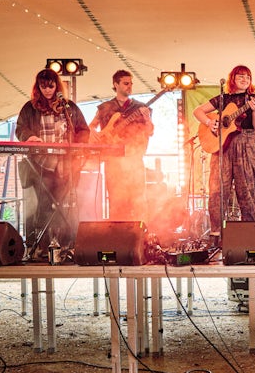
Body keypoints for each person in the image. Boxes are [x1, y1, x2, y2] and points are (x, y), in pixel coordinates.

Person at [16, 68, 89, 259]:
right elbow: (20, 128)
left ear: (57, 86)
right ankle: (42, 247)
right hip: (42, 164)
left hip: (67, 164)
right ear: (37, 88)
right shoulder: (30, 108)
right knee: (45, 204)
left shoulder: (69, 107)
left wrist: (79, 145)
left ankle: (68, 245)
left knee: (68, 205)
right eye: (43, 87)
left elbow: (83, 129)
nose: (47, 90)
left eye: (51, 86)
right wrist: (30, 136)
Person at [193, 65, 255, 246]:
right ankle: (216, 235)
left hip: (246, 143)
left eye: (248, 76)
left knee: (246, 190)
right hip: (221, 146)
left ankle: (248, 236)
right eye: (240, 76)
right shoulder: (223, 99)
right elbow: (198, 111)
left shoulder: (254, 99)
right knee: (217, 190)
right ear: (232, 78)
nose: (244, 79)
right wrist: (209, 122)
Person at [88, 70, 154, 221]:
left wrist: (148, 119)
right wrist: (95, 134)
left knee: (139, 201)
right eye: (125, 83)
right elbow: (91, 127)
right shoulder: (105, 107)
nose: (129, 86)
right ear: (115, 84)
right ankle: (117, 238)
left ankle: (139, 238)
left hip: (134, 159)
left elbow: (150, 132)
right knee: (116, 202)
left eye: (131, 83)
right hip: (113, 160)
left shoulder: (141, 107)